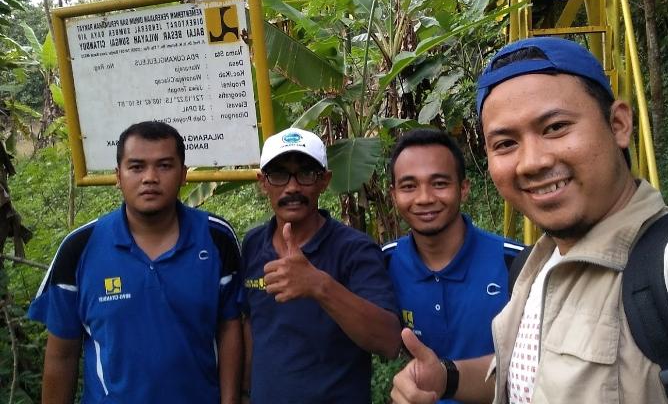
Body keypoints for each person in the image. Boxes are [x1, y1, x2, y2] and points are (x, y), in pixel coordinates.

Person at [390, 37, 668, 404]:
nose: (532, 162)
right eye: (505, 143)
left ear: (618, 124)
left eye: (555, 127)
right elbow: (527, 378)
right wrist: (446, 376)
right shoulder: (533, 268)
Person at [28, 121, 243, 404]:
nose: (150, 178)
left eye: (164, 166)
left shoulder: (216, 238)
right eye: (137, 167)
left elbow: (230, 327)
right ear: (118, 176)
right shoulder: (79, 248)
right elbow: (61, 354)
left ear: (183, 174)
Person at [240, 127, 401, 403]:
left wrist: (319, 285)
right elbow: (252, 325)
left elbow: (389, 341)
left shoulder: (354, 250)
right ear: (263, 182)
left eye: (306, 173)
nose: (292, 187)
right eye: (278, 175)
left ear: (324, 180)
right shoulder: (253, 244)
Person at [383, 129, 522, 403]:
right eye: (409, 186)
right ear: (394, 195)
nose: (424, 198)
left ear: (464, 188)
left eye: (439, 183)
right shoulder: (384, 263)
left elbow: (539, 364)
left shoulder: (516, 263)